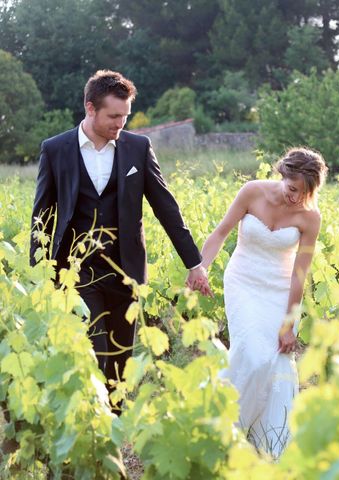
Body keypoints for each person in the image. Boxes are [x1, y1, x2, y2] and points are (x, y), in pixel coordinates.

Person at [29, 70, 210, 406]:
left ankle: (115, 420)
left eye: (125, 116)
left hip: (125, 269)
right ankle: (98, 421)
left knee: (122, 358)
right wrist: (37, 272)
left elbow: (166, 207)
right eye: (114, 116)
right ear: (90, 108)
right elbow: (42, 215)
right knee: (94, 349)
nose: (120, 124)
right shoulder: (55, 149)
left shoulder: (138, 147)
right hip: (75, 270)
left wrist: (194, 263)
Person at [195, 147, 327, 457]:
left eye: (304, 193)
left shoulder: (310, 217)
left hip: (280, 291)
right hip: (243, 281)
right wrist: (202, 267)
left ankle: (267, 447)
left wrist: (288, 324)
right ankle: (222, 429)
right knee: (252, 355)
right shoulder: (252, 192)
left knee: (277, 364)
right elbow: (220, 233)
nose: (296, 197)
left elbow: (299, 275)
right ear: (282, 174)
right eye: (293, 188)